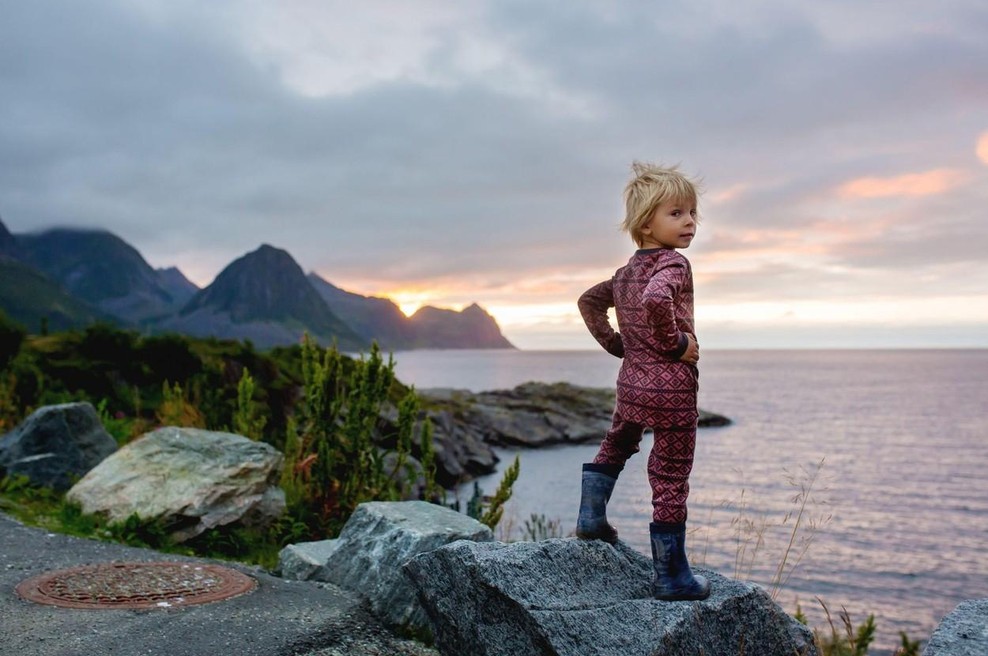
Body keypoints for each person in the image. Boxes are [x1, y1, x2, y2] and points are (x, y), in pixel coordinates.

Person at [575, 161, 709, 601]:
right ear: (645, 222)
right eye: (676, 213)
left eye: (692, 212)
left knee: (617, 442)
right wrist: (676, 344)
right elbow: (656, 299)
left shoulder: (625, 272)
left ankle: (591, 520)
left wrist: (618, 345)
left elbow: (588, 302)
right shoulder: (674, 264)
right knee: (670, 475)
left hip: (632, 383)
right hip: (670, 387)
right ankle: (671, 577)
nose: (690, 221)